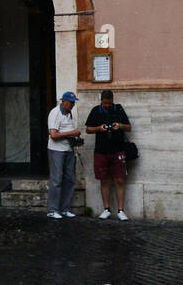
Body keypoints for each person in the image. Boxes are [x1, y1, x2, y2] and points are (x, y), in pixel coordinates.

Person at [85, 88, 132, 222]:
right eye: (105, 103)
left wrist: (120, 125)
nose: (107, 105)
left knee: (120, 180)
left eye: (109, 103)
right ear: (101, 101)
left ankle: (121, 210)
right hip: (101, 151)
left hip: (118, 149)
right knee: (104, 180)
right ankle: (106, 209)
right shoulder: (95, 111)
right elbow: (88, 129)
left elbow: (129, 127)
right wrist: (100, 128)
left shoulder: (119, 109)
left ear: (113, 101)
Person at [46, 91, 81, 220]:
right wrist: (72, 132)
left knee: (70, 179)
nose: (72, 105)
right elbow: (53, 135)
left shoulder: (69, 113)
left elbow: (65, 132)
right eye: (71, 103)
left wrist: (74, 138)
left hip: (68, 149)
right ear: (64, 101)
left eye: (73, 103)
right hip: (57, 150)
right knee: (56, 180)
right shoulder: (55, 113)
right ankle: (53, 209)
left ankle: (65, 208)